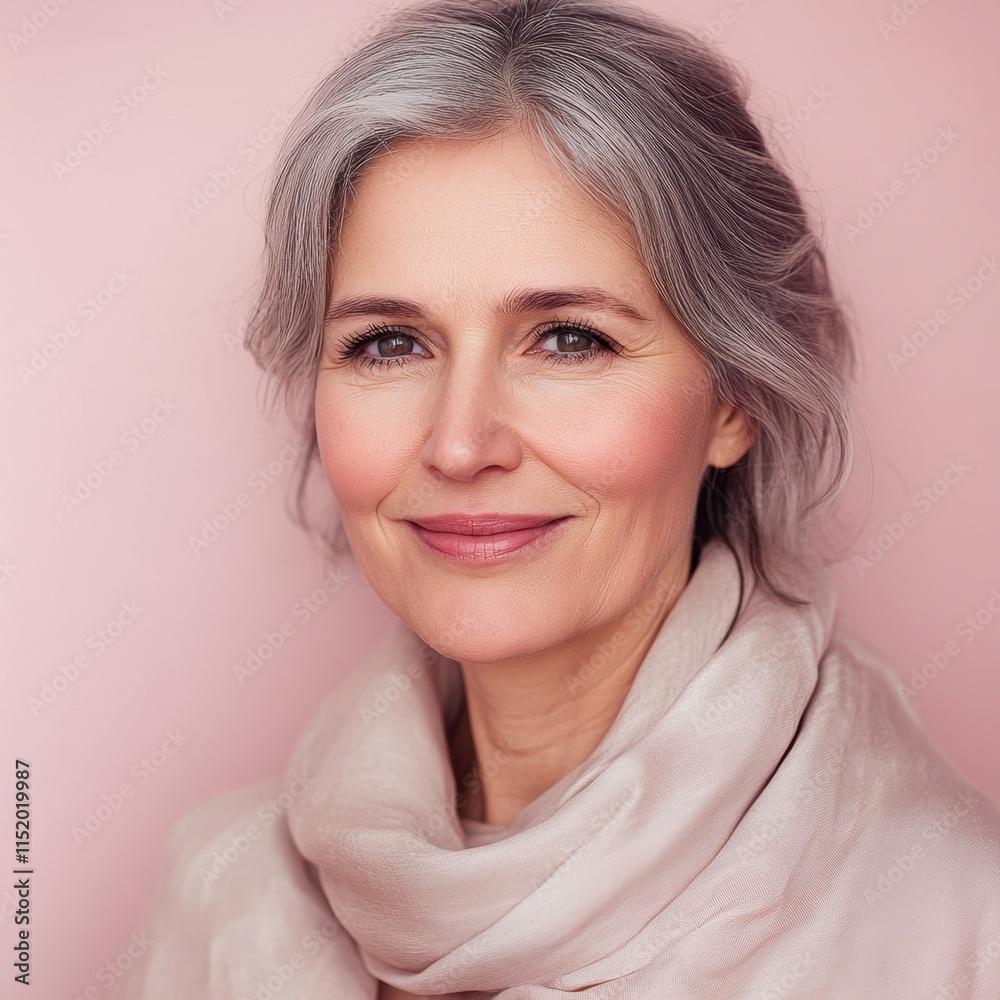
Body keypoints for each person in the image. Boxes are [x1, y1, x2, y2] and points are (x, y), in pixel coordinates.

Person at [114, 0, 1000, 996]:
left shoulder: (952, 928)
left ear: (734, 397)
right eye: (388, 343)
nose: (458, 442)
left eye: (569, 338)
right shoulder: (220, 895)